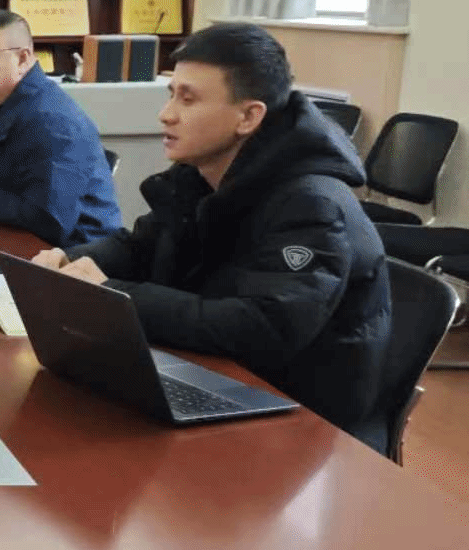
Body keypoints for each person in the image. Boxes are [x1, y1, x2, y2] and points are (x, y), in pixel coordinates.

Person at [34, 23, 392, 449]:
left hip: (295, 425)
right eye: (171, 94)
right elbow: (141, 245)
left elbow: (262, 328)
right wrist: (71, 260)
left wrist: (112, 293)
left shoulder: (312, 205)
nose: (166, 114)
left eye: (188, 99)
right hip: (213, 378)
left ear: (249, 117)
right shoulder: (200, 173)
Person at [0, 9, 121, 246]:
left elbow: (51, 221)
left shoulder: (52, 123)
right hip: (12, 238)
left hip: (75, 255)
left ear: (22, 59)